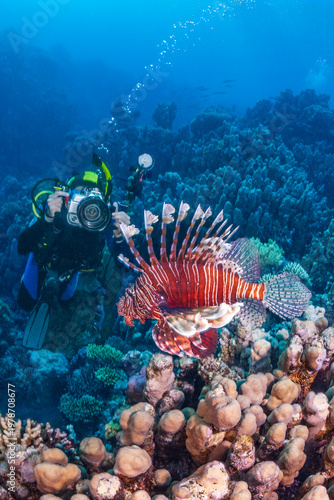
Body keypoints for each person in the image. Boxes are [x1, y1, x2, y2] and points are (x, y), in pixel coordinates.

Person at [17, 157, 130, 349]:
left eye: (93, 199)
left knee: (65, 300)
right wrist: (47, 219)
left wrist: (121, 237)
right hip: (43, 260)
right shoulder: (57, 209)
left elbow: (124, 265)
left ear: (102, 201)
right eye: (79, 195)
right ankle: (43, 292)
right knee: (25, 303)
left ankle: (51, 298)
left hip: (72, 270)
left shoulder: (103, 220)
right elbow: (22, 247)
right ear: (68, 195)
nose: (87, 207)